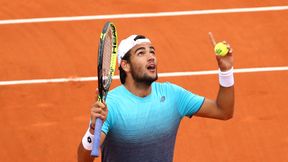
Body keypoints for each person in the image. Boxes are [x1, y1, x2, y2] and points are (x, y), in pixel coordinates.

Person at [77, 34, 234, 162]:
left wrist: (226, 71)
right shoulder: (111, 104)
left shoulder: (173, 95)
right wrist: (92, 129)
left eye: (152, 51)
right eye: (141, 53)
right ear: (125, 65)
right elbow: (83, 160)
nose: (151, 57)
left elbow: (223, 111)